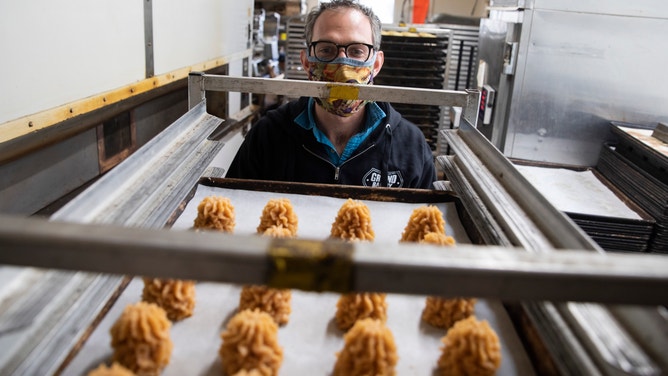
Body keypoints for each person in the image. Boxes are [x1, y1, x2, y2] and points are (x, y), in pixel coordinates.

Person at [226, 0, 436, 189]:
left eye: (357, 51)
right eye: (326, 50)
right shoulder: (268, 136)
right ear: (307, 62)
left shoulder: (411, 147)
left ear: (377, 64)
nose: (342, 64)